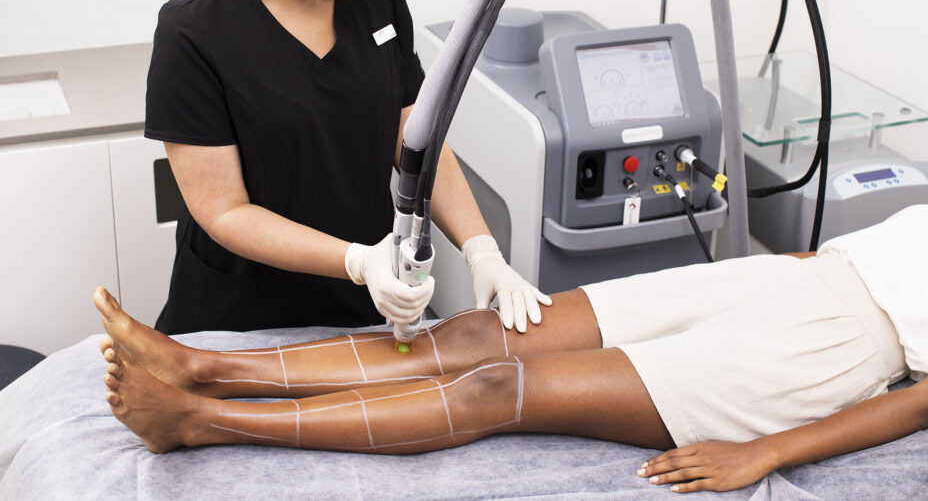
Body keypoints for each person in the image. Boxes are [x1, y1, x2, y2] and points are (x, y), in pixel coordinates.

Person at [95, 205, 927, 493]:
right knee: (467, 332)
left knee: (499, 385)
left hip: (830, 347)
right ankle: (202, 364)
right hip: (789, 276)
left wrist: (767, 452)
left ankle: (201, 420)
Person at [145, 0, 550, 336]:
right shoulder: (194, 30)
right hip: (242, 322)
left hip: (359, 311)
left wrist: (481, 249)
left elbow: (416, 136)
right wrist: (358, 261)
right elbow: (223, 212)